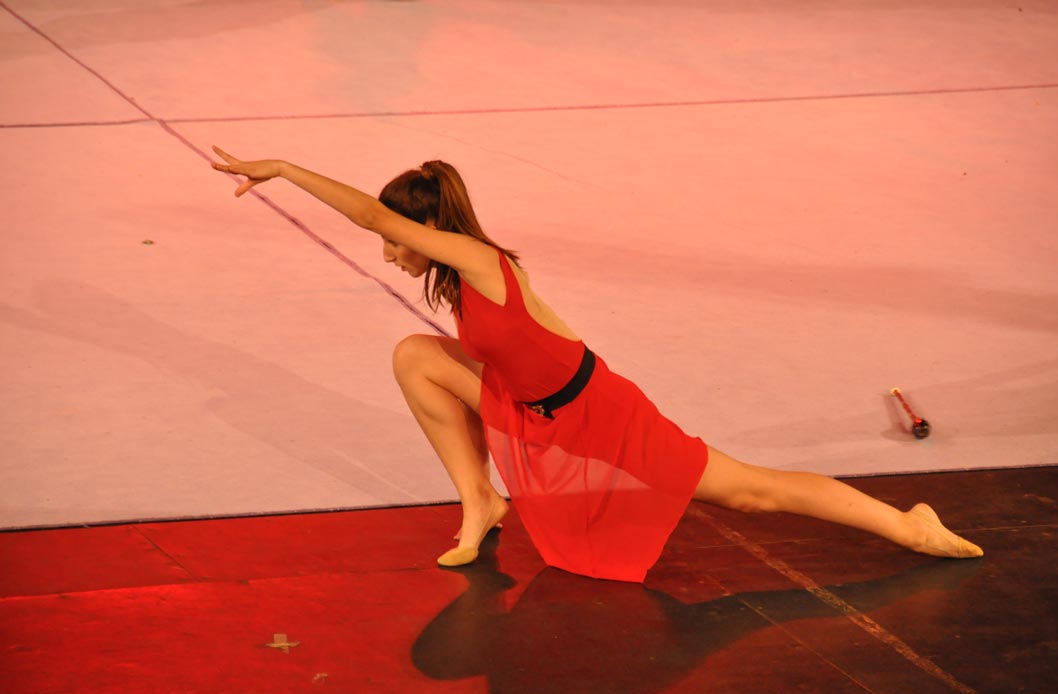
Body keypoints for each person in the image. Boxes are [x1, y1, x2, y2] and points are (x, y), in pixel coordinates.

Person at [210, 147, 984, 583]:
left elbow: (372, 213)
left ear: (428, 228)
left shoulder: (477, 260)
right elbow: (409, 257)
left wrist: (284, 168)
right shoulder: (457, 277)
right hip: (525, 405)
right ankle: (480, 502)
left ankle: (908, 525)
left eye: (394, 239)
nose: (386, 250)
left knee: (750, 491)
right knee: (415, 355)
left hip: (601, 413)